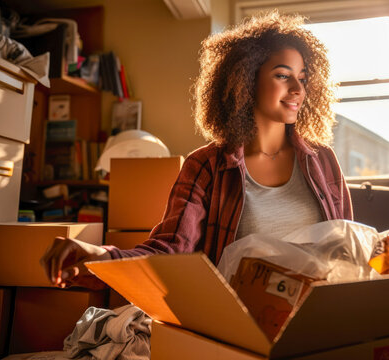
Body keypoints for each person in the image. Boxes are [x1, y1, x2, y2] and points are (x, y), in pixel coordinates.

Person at [40, 11, 353, 290]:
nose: (297, 89)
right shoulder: (206, 165)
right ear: (245, 79)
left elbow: (347, 250)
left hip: (320, 319)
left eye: (302, 77)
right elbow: (170, 250)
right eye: (283, 76)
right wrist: (100, 255)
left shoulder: (322, 161)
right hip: (243, 329)